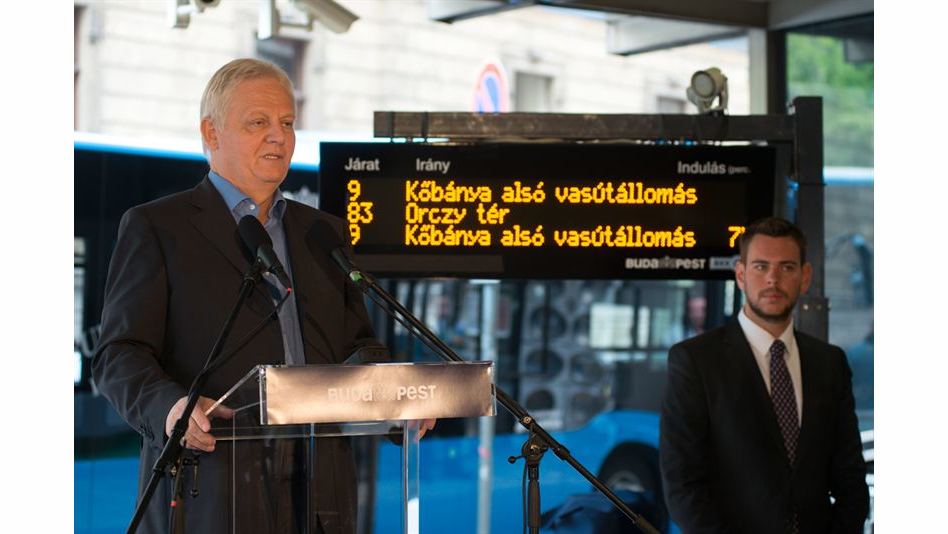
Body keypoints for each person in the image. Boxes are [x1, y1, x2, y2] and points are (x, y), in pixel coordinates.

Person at [92, 58, 433, 534]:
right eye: (258, 122)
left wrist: (393, 396)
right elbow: (118, 355)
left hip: (320, 495)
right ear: (211, 134)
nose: (279, 136)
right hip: (211, 488)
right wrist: (169, 406)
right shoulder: (158, 227)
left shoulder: (322, 232)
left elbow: (358, 346)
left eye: (288, 123)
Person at [659, 217, 868, 533]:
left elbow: (850, 477)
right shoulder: (696, 361)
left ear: (805, 277)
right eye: (760, 267)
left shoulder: (830, 363)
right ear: (741, 275)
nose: (773, 279)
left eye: (786, 267)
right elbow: (683, 483)